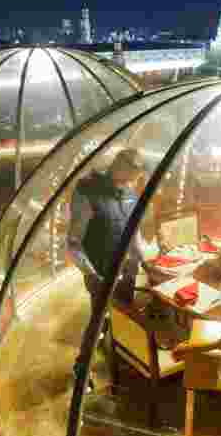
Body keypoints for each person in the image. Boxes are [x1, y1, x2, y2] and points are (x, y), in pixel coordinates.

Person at [67, 148, 156, 389]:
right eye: (133, 171)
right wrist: (91, 273)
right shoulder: (87, 190)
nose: (135, 178)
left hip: (127, 270)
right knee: (98, 319)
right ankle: (81, 368)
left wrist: (147, 263)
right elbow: (73, 242)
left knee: (120, 315)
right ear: (119, 164)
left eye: (137, 173)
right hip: (100, 271)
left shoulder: (130, 196)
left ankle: (115, 352)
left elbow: (134, 237)